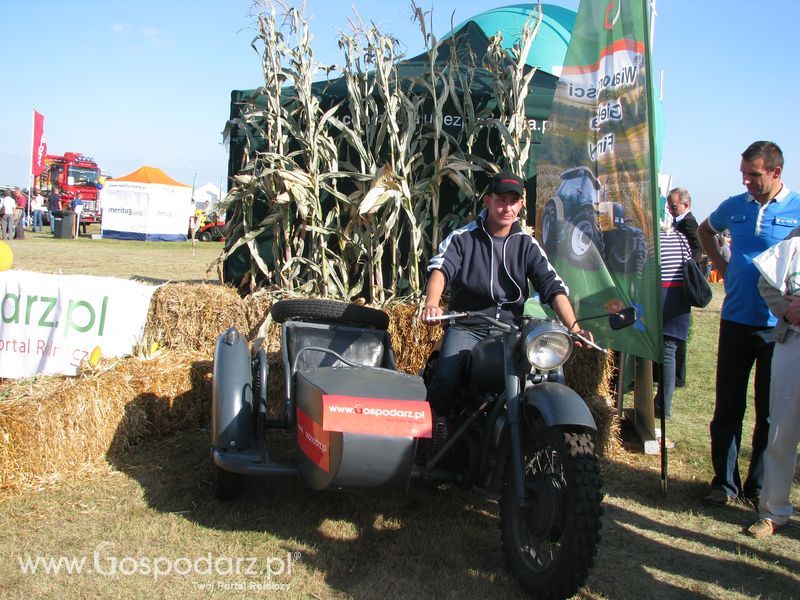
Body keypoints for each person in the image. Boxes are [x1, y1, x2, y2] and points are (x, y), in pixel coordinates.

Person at [421, 170, 592, 421]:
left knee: (544, 375)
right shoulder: (463, 238)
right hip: (468, 326)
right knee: (446, 376)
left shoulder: (527, 245)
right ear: (487, 200)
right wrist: (432, 304)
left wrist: (574, 327)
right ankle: (432, 431)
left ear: (521, 205)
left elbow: (552, 286)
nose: (507, 207)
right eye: (501, 200)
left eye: (514, 201)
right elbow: (441, 269)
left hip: (510, 330)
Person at [697, 140, 800, 506]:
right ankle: (724, 485)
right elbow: (705, 231)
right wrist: (723, 268)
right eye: (743, 174)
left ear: (776, 172)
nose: (747, 182)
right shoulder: (734, 206)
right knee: (727, 406)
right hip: (735, 320)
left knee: (770, 413)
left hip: (779, 328)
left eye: (753, 175)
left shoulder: (798, 208)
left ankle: (758, 487)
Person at [747, 226, 800, 537]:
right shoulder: (794, 239)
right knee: (781, 429)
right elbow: (766, 284)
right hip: (791, 342)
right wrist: (790, 312)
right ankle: (773, 512)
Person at [654, 213, 692, 441]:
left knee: (658, 351)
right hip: (680, 299)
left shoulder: (651, 241)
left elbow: (641, 268)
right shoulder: (681, 239)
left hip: (660, 295)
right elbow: (689, 263)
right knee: (670, 352)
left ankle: (658, 405)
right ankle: (663, 404)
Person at [667, 187, 700, 388]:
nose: (670, 210)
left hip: (681, 282)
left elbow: (697, 248)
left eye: (673, 206)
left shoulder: (689, 223)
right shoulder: (679, 222)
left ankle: (678, 376)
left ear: (685, 205)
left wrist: (687, 266)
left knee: (676, 335)